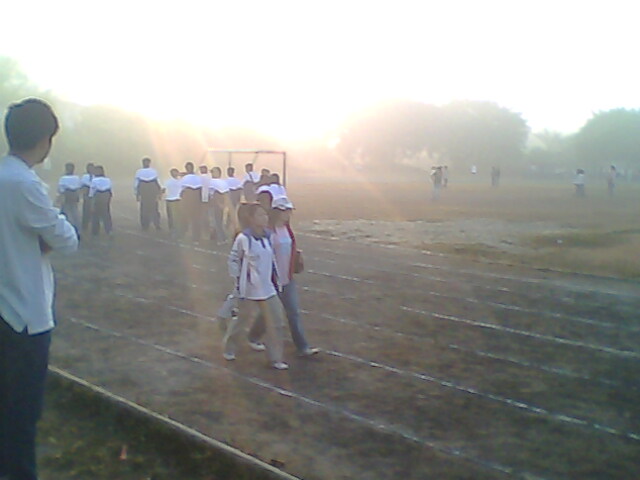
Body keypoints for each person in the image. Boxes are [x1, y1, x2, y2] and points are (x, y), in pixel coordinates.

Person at [0, 98, 78, 480]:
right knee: (20, 416)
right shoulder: (25, 185)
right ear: (45, 140)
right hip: (22, 315)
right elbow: (67, 240)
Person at [248, 196, 319, 357]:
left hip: (287, 278)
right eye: (286, 211)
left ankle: (302, 347)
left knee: (292, 313)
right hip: (272, 280)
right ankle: (253, 336)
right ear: (278, 212)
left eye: (289, 211)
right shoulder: (268, 231)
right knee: (269, 313)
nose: (288, 214)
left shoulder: (287, 229)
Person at [223, 203, 288, 370]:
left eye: (265, 215)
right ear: (251, 219)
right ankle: (229, 348)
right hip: (249, 289)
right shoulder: (244, 238)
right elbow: (233, 259)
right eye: (260, 215)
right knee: (242, 320)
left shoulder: (269, 236)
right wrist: (239, 280)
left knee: (277, 321)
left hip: (268, 288)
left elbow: (272, 260)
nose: (264, 218)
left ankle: (275, 358)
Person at [134, 157, 162, 231]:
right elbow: (136, 183)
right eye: (145, 162)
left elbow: (157, 181)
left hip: (152, 189)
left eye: (147, 162)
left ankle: (157, 224)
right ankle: (145, 225)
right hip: (144, 189)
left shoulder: (153, 171)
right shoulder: (139, 172)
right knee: (144, 208)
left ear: (149, 163)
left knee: (154, 208)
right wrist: (137, 193)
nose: (146, 163)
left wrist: (159, 192)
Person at [179, 162, 202, 242]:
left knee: (193, 219)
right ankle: (188, 235)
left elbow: (182, 190)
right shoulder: (195, 178)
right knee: (188, 218)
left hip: (191, 199)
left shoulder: (188, 178)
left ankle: (194, 237)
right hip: (192, 199)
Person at [57, 162, 82, 231]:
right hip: (74, 194)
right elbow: (79, 187)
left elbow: (60, 189)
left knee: (65, 211)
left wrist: (60, 196)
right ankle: (77, 227)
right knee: (74, 211)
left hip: (67, 194)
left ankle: (65, 227)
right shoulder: (76, 178)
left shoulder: (63, 178)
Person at [89, 165, 113, 236]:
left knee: (95, 214)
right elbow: (110, 189)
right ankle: (109, 230)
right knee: (106, 214)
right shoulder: (108, 179)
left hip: (98, 196)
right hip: (106, 195)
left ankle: (95, 231)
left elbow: (92, 190)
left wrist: (91, 197)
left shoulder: (94, 180)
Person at [208, 166, 229, 244]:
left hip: (215, 204)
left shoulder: (213, 182)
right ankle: (221, 237)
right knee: (218, 221)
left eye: (213, 172)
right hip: (220, 204)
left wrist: (219, 204)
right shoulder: (223, 182)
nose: (212, 174)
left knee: (217, 222)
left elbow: (215, 195)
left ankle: (221, 239)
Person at [164, 167, 182, 236]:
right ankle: (172, 229)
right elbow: (163, 189)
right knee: (172, 216)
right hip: (170, 199)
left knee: (176, 216)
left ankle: (175, 229)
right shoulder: (168, 181)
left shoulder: (180, 181)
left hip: (177, 199)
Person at [79, 162, 95, 232]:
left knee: (94, 210)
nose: (90, 169)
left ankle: (94, 225)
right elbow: (82, 185)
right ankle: (84, 225)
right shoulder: (85, 176)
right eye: (89, 168)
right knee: (86, 209)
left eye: (92, 168)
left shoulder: (96, 176)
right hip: (87, 192)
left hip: (94, 193)